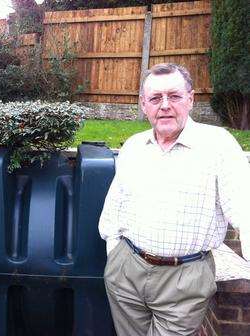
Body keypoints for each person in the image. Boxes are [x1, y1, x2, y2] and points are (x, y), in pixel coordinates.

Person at [98, 63, 250, 336]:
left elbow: (245, 206)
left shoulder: (218, 145)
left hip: (185, 278)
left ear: (190, 99)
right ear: (144, 105)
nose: (164, 105)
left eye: (174, 96)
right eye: (155, 98)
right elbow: (116, 203)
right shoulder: (133, 146)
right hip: (126, 271)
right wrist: (115, 256)